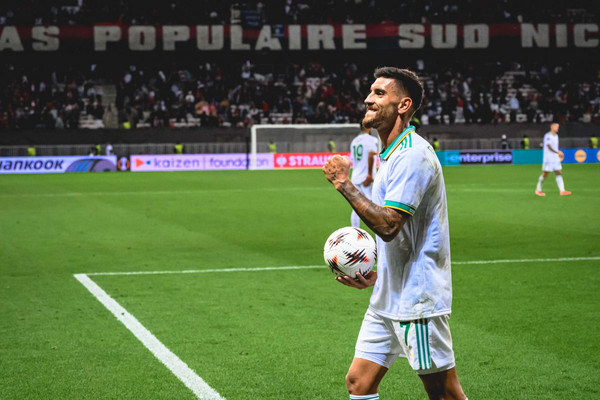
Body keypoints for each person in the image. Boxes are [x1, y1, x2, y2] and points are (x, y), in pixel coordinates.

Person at [323, 67, 467, 400]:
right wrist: (380, 275)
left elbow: (389, 225)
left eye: (379, 93)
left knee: (444, 393)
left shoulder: (413, 154)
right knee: (359, 382)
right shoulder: (390, 154)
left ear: (403, 105)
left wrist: (343, 183)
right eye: (370, 92)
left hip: (416, 301)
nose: (367, 99)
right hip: (388, 296)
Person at [349, 121, 379, 228]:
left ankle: (355, 231)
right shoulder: (372, 140)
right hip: (366, 178)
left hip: (355, 177)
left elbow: (353, 160)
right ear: (368, 127)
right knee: (374, 207)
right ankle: (378, 233)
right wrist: (370, 175)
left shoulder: (354, 141)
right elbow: (371, 155)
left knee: (356, 207)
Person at [535, 123, 571, 196]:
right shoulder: (548, 135)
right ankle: (538, 190)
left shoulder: (556, 136)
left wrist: (556, 153)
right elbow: (549, 146)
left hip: (555, 158)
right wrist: (557, 152)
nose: (557, 128)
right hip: (548, 158)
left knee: (558, 172)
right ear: (551, 127)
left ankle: (562, 191)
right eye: (556, 127)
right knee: (546, 173)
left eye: (558, 127)